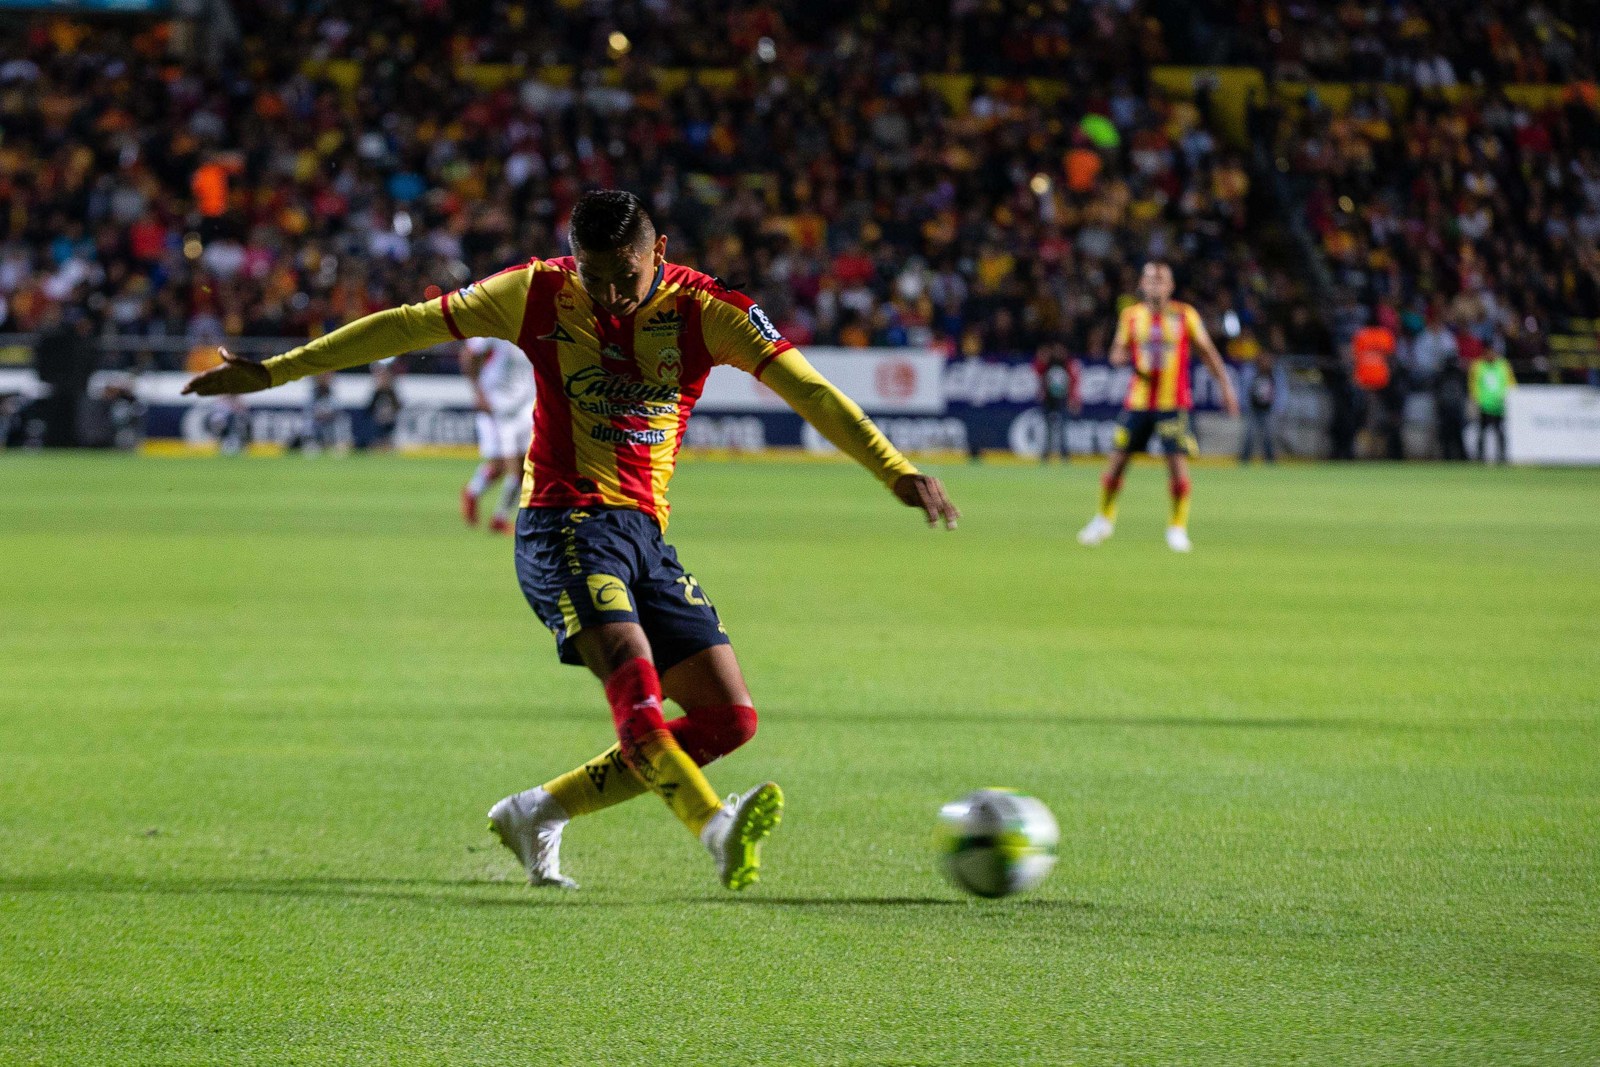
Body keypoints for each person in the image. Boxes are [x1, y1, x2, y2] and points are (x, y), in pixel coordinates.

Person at [182, 189, 959, 892]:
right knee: (636, 693)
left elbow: (808, 389)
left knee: (729, 718)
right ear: (573, 258)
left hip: (645, 535)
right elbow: (409, 325)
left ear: (659, 252)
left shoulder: (708, 310)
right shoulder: (537, 292)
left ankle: (535, 812)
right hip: (564, 524)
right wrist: (277, 371)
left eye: (626, 274)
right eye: (595, 275)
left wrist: (892, 467)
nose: (611, 293)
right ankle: (713, 826)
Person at [1077, 261, 1239, 553]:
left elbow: (1208, 353)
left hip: (1172, 403)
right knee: (1117, 462)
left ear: (1170, 286)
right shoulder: (1131, 316)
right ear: (1142, 284)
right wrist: (1121, 358)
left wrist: (1226, 388)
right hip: (1138, 402)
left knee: (1177, 466)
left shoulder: (1185, 315)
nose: (1155, 285)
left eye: (1160, 280)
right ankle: (1103, 520)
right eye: (1150, 279)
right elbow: (1116, 352)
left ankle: (1177, 528)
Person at [458, 336, 535, 533]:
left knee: (517, 467)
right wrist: (478, 393)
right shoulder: (497, 328)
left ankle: (489, 507)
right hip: (498, 407)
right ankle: (485, 504)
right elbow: (469, 354)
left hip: (525, 405)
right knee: (505, 465)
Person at [1237, 345, 1286, 464]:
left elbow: (1281, 391)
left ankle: (1270, 460)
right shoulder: (1250, 371)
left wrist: (1279, 408)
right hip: (1253, 409)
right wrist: (1244, 406)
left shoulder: (1276, 373)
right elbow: (1244, 390)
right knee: (1249, 435)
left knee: (1269, 435)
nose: (1265, 361)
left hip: (1268, 410)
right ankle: (1245, 460)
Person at [1033, 339, 1080, 463]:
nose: (1059, 352)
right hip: (1049, 400)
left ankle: (1064, 454)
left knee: (1063, 428)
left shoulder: (1068, 364)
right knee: (1048, 429)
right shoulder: (1048, 362)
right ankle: (1046, 454)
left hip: (1063, 399)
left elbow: (1073, 382)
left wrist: (1073, 398)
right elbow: (1038, 372)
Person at [1471, 346, 1515, 463]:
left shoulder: (1503, 365)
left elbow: (1511, 383)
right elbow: (1474, 384)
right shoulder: (1478, 365)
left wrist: (1507, 397)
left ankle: (1502, 456)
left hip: (1499, 405)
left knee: (1500, 432)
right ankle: (1480, 457)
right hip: (1484, 404)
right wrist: (1477, 399)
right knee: (1482, 432)